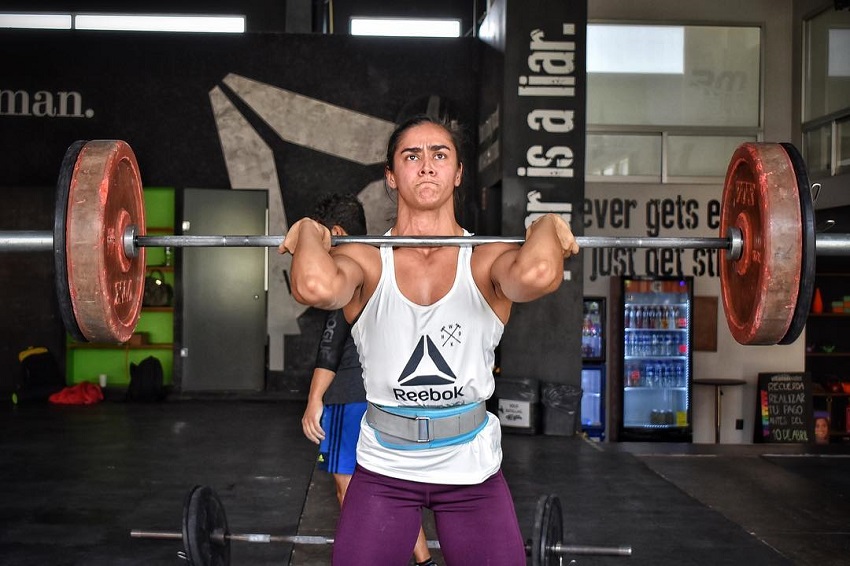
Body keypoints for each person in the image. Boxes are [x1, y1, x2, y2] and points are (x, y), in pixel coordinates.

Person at [282, 115, 579, 565]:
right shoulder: (367, 260)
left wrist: (546, 224)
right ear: (391, 176)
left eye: (440, 155)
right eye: (411, 155)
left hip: (472, 470)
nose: (426, 166)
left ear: (458, 173)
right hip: (384, 470)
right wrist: (309, 230)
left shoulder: (484, 259)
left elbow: (538, 274)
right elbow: (313, 287)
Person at [301, 193, 436, 566]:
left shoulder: (348, 268)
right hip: (394, 396)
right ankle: (425, 562)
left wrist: (315, 399)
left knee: (348, 487)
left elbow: (331, 342)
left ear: (339, 232)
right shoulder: (387, 264)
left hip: (350, 395)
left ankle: (365, 556)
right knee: (395, 487)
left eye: (323, 237)